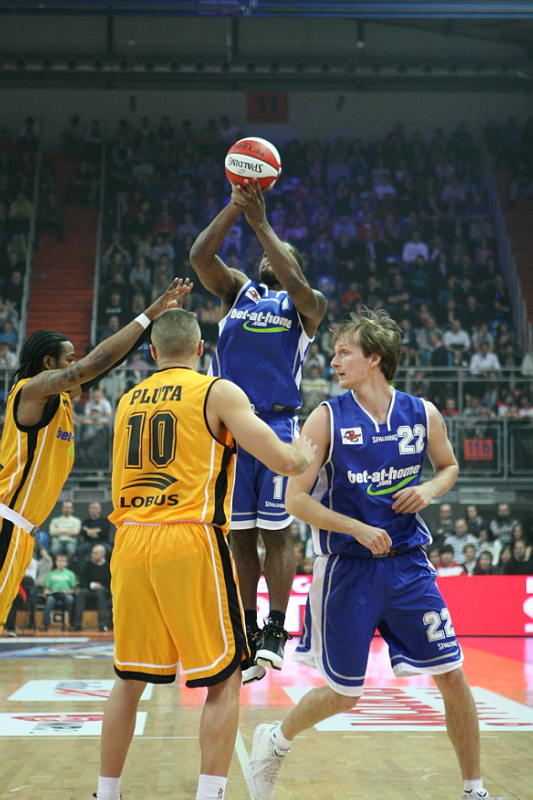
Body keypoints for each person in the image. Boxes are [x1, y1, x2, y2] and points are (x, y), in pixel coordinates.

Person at [246, 308, 503, 800]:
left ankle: (474, 789)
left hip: (409, 566)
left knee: (452, 674)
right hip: (348, 569)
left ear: (375, 359)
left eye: (344, 352)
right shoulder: (325, 419)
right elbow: (294, 500)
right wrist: (356, 528)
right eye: (334, 352)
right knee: (345, 693)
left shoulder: (422, 413)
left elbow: (448, 467)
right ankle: (275, 739)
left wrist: (428, 489)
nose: (333, 361)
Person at [96, 307, 316, 800]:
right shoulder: (217, 391)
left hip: (129, 541)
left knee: (128, 680)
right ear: (201, 349)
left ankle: (106, 792)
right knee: (225, 679)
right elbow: (281, 459)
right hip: (188, 536)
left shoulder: (128, 399)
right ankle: (210, 794)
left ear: (153, 351)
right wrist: (303, 452)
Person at [190, 179, 326, 681]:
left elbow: (297, 284)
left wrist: (263, 224)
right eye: (266, 252)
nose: (270, 257)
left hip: (275, 424)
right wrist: (235, 208)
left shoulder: (307, 304)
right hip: (227, 428)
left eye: (281, 254)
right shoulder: (239, 291)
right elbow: (200, 257)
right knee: (240, 536)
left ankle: (275, 627)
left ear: (293, 265)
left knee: (278, 532)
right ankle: (248, 628)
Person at [0, 277, 191, 632]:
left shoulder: (61, 399)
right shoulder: (32, 391)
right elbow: (98, 359)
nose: (77, 365)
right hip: (6, 521)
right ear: (48, 362)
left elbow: (107, 363)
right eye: (70, 360)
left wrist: (156, 314)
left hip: (21, 529)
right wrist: (150, 311)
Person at [72, 544, 111, 631]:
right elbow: (82, 582)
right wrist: (92, 585)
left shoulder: (109, 567)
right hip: (90, 590)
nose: (92, 555)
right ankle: (77, 624)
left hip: (105, 591)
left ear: (102, 555)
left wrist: (101, 587)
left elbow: (111, 583)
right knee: (81, 593)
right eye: (92, 553)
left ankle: (103, 624)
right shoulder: (88, 566)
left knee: (100, 594)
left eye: (95, 553)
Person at [40, 553, 77, 631]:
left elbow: (74, 589)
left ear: (66, 563)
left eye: (63, 561)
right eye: (59, 561)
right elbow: (47, 588)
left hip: (66, 593)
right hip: (53, 593)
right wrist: (45, 593)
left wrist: (67, 591)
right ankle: (45, 624)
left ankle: (72, 623)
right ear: (56, 562)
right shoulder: (51, 573)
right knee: (49, 600)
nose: (61, 563)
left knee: (70, 600)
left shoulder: (70, 574)